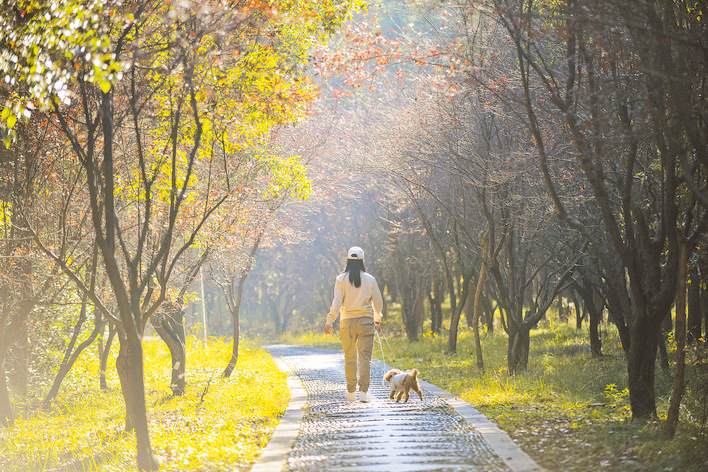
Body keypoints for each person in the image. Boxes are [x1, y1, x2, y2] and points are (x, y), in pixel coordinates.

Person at [324, 246, 383, 403]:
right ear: (362, 261)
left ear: (348, 260)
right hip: (366, 322)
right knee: (365, 358)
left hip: (347, 323)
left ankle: (351, 393)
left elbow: (337, 302)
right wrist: (377, 318)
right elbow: (378, 302)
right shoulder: (370, 279)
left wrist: (330, 320)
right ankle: (363, 393)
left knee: (349, 358)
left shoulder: (340, 279)